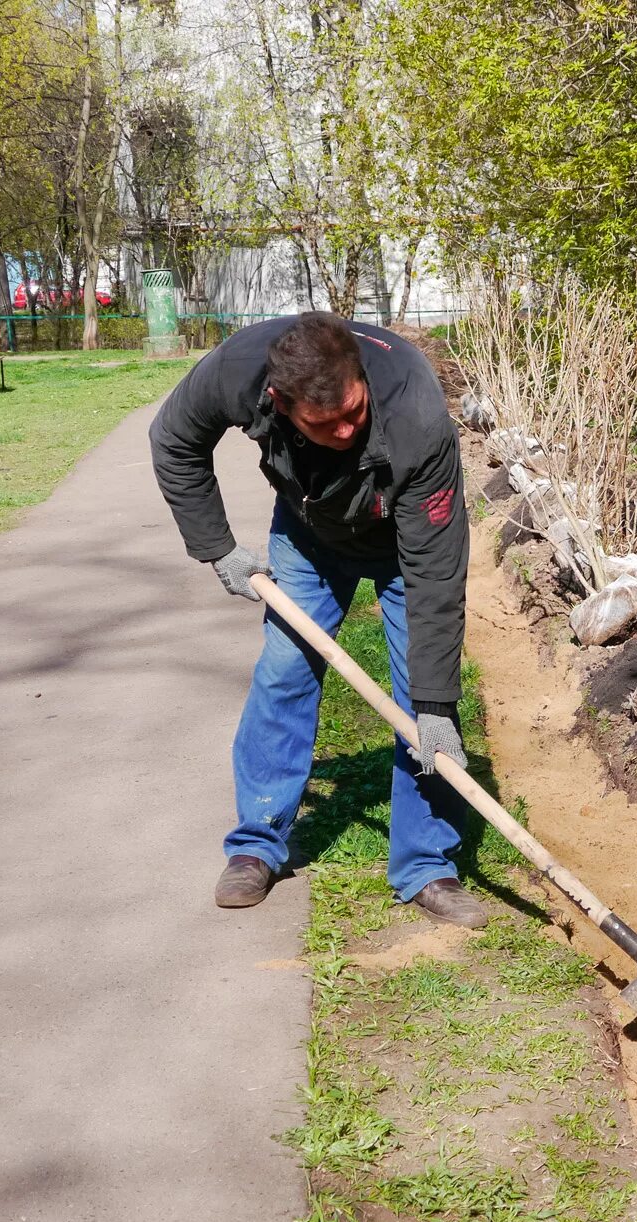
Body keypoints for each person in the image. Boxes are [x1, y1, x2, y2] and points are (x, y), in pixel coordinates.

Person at [148, 310, 486, 927]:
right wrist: (217, 545)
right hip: (308, 536)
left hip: (404, 545)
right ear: (278, 401)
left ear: (360, 375)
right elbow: (173, 441)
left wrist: (435, 703)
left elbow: (436, 569)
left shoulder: (415, 411)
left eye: (355, 413)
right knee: (284, 671)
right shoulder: (239, 370)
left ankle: (427, 865)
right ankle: (257, 845)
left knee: (423, 700)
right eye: (323, 423)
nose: (346, 430)